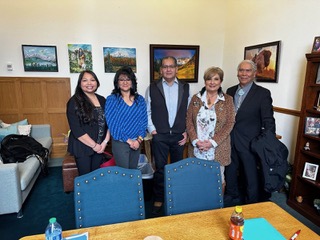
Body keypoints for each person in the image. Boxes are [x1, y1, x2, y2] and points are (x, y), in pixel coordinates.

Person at [224, 59, 276, 205]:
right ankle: (230, 198)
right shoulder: (230, 91)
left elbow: (268, 120)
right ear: (237, 73)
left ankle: (251, 203)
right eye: (241, 70)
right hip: (230, 140)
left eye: (247, 71)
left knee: (250, 176)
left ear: (254, 73)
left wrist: (267, 143)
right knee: (231, 172)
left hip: (250, 143)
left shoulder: (263, 93)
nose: (244, 74)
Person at [146, 56, 190, 215]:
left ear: (177, 69)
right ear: (161, 70)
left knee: (177, 169)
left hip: (179, 136)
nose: (168, 69)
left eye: (171, 66)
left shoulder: (185, 87)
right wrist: (153, 131)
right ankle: (159, 197)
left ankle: (176, 195)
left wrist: (186, 131)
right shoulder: (152, 87)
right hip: (160, 136)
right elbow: (147, 111)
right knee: (160, 168)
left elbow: (188, 112)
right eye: (165, 66)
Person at [186, 67, 235, 192]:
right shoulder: (195, 99)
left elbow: (230, 123)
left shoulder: (227, 100)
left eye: (216, 79)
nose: (212, 82)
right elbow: (189, 121)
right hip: (197, 147)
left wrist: (212, 142)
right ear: (205, 81)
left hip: (217, 149)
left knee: (218, 180)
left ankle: (217, 209)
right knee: (197, 179)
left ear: (221, 81)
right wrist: (195, 140)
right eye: (209, 79)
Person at [66, 70, 109, 176]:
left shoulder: (102, 99)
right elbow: (77, 130)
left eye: (92, 80)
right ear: (80, 83)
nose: (89, 83)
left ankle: (95, 193)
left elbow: (109, 123)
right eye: (85, 80)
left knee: (96, 177)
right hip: (83, 147)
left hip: (100, 146)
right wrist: (94, 145)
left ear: (97, 83)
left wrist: (104, 143)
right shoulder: (74, 101)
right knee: (86, 178)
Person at [105, 66, 147, 169]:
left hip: (137, 142)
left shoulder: (140, 99)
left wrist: (138, 140)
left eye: (128, 79)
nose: (125, 82)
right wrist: (129, 141)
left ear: (132, 82)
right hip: (120, 143)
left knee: (133, 172)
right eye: (121, 79)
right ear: (117, 82)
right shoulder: (112, 100)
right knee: (124, 174)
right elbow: (113, 125)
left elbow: (144, 121)